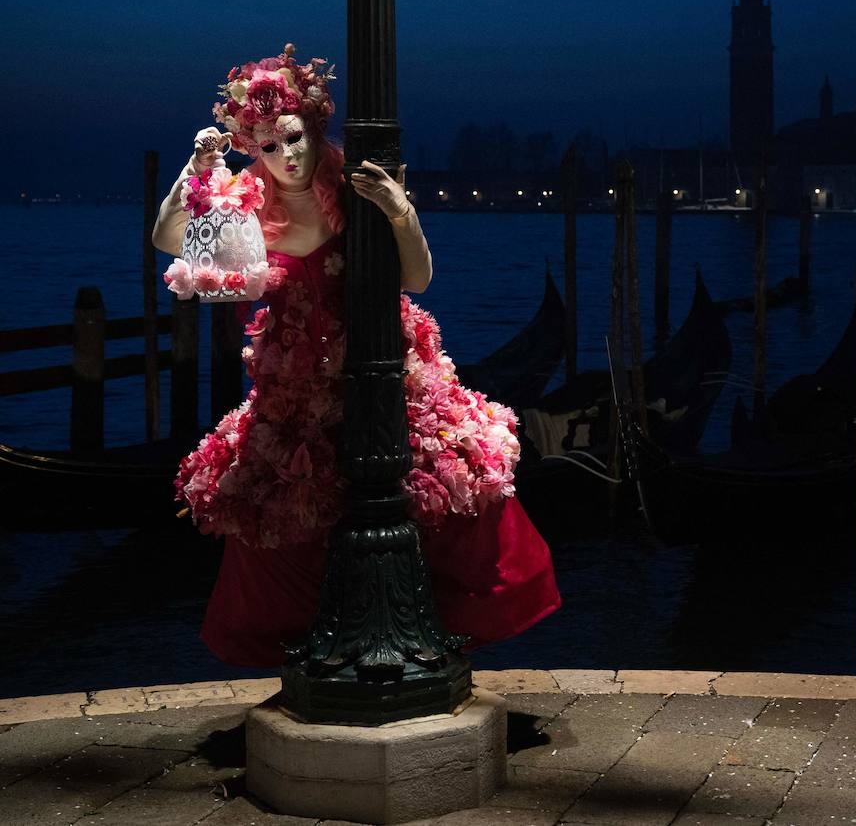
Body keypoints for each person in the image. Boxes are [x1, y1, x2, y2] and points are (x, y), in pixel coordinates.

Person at [151, 44, 560, 666]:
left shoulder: (354, 184)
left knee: (446, 500)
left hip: (382, 374)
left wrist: (401, 213)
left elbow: (417, 278)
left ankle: (420, 639)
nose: (284, 156)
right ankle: (324, 650)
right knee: (283, 519)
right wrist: (195, 167)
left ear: (312, 128)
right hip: (295, 388)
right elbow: (166, 237)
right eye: (266, 147)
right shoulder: (243, 202)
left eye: (291, 139)